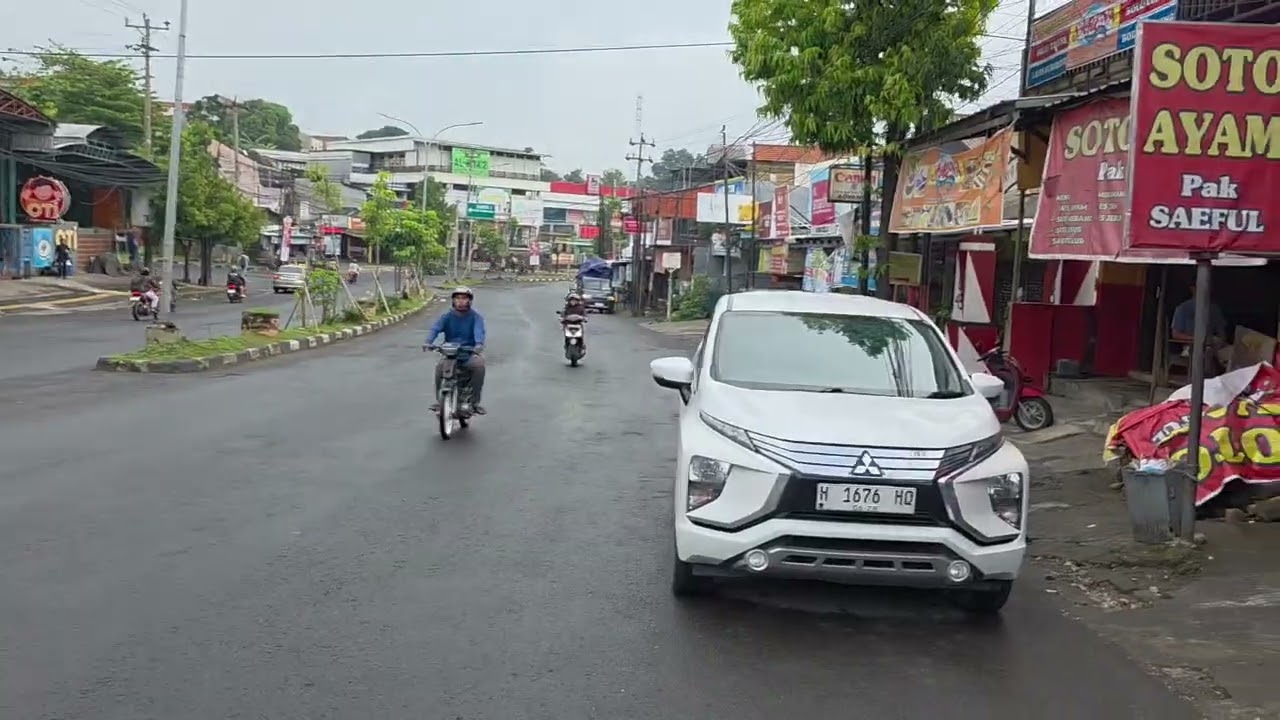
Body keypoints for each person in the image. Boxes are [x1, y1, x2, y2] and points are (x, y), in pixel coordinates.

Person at [425, 286, 487, 414]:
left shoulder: (476, 317)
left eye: (464, 298)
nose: (460, 301)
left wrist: (478, 344)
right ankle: (439, 401)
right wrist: (428, 342)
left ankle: (475, 403)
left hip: (468, 353)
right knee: (439, 369)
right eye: (457, 298)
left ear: (469, 301)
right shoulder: (447, 316)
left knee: (479, 366)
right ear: (453, 300)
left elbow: (479, 332)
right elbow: (435, 328)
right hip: (450, 354)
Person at [1171, 282, 1231, 375]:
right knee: (1206, 354)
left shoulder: (1214, 308)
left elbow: (1222, 333)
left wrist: (1219, 341)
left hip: (1214, 345)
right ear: (1192, 288)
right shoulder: (1183, 308)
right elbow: (1175, 334)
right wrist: (1197, 339)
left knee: (1233, 353)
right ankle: (1202, 382)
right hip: (1190, 347)